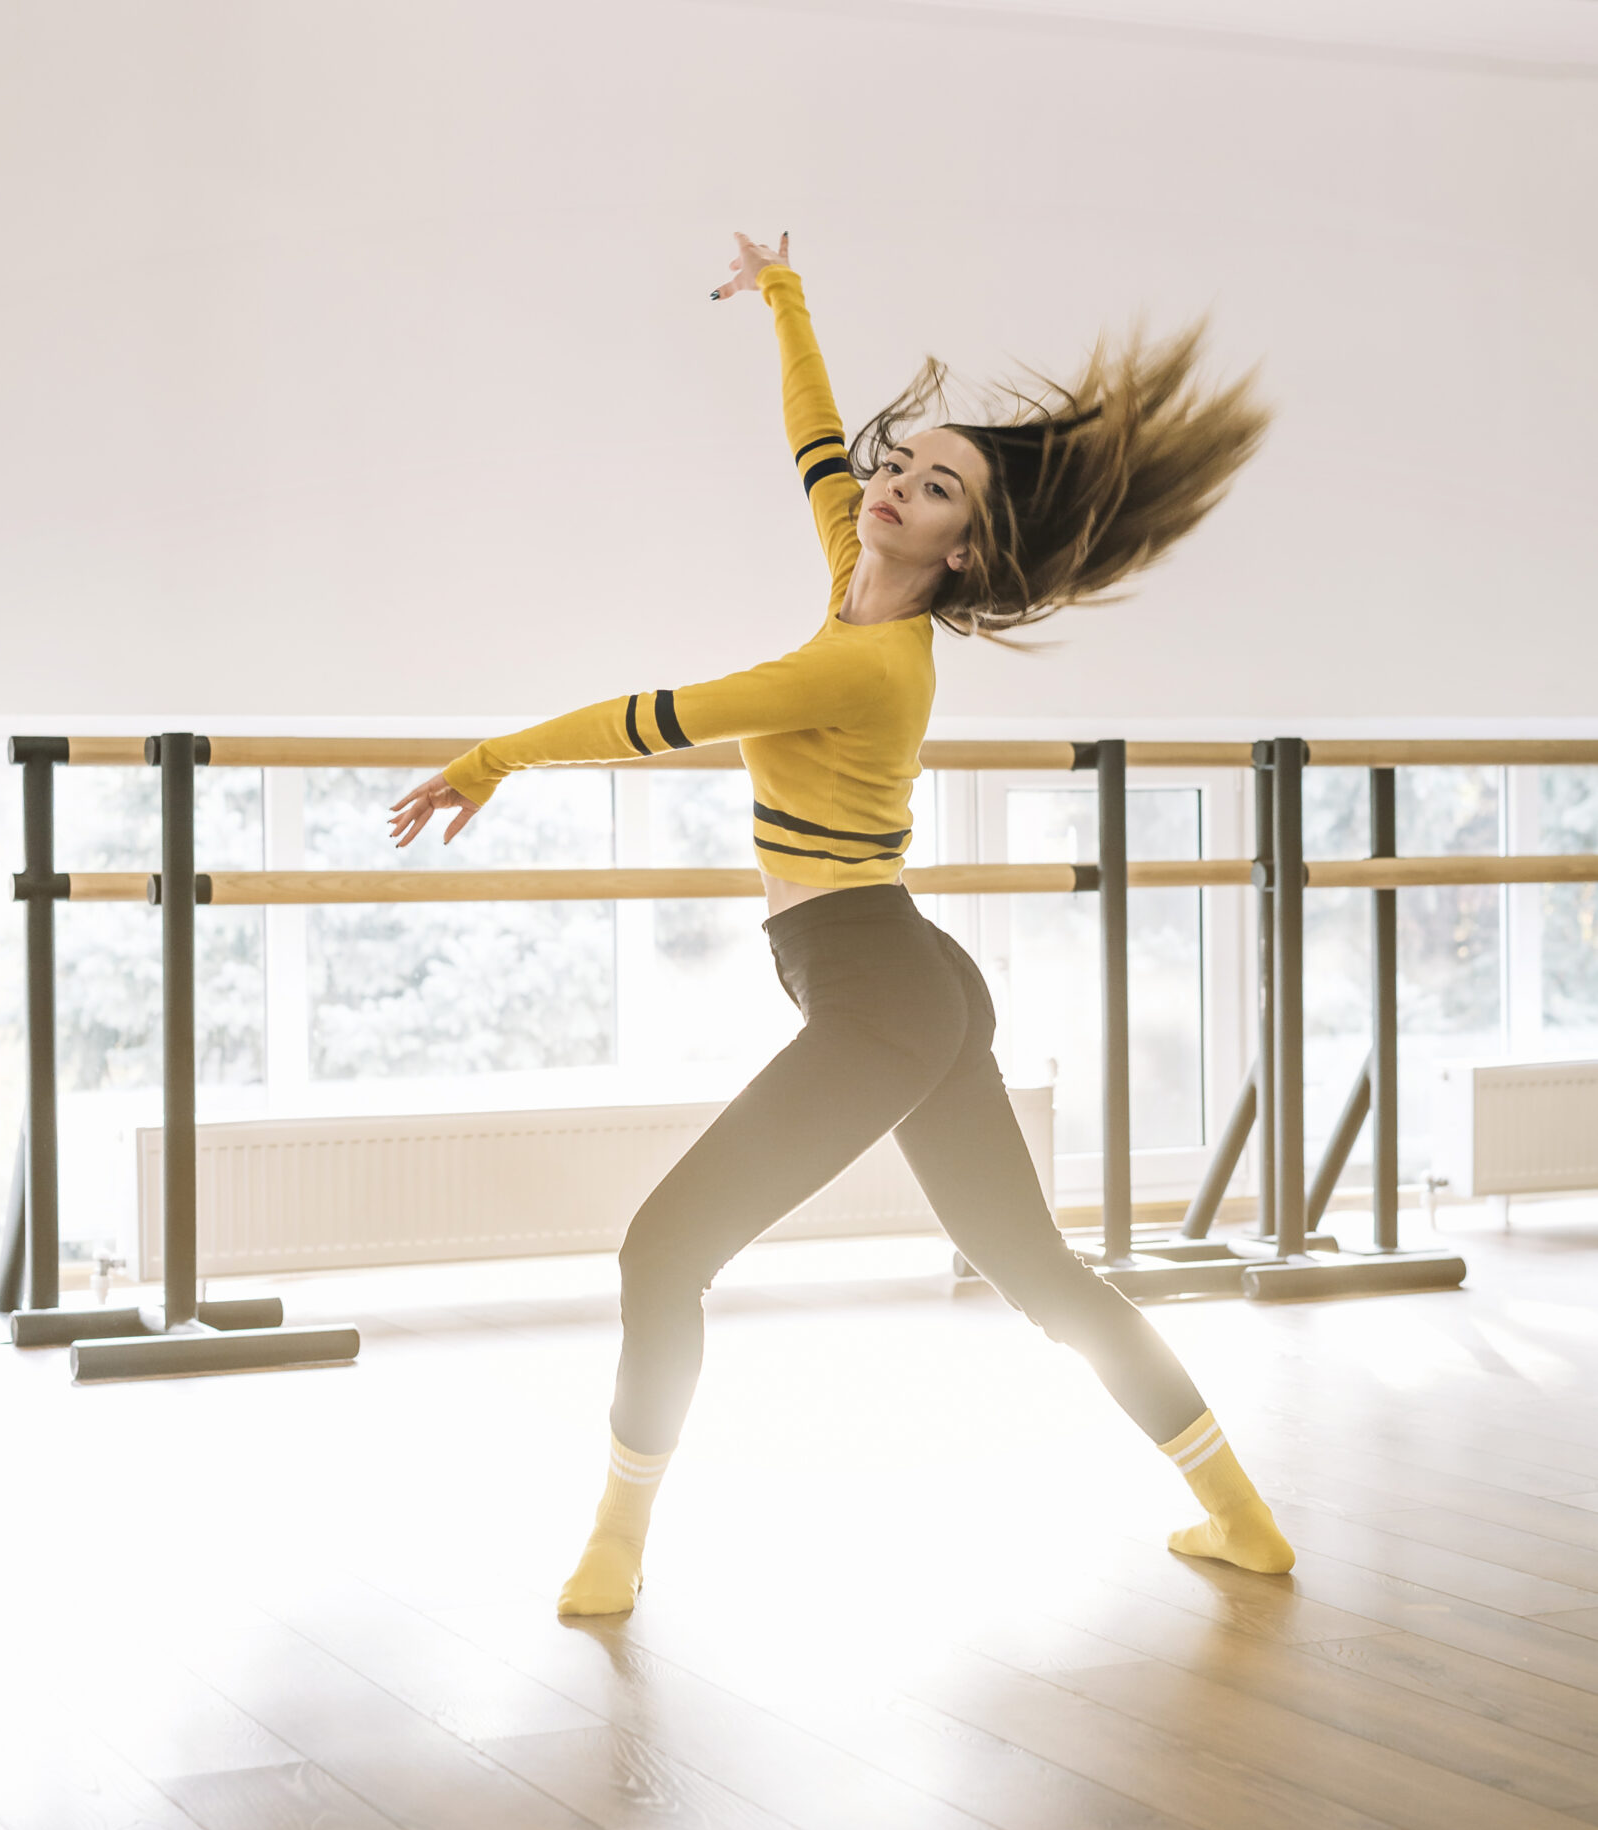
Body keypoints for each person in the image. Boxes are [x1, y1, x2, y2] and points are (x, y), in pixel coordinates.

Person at [389, 232, 1294, 1618]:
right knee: (1037, 1274)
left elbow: (654, 720)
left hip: (883, 993)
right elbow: (816, 438)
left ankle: (616, 1544)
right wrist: (784, 297)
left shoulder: (855, 661)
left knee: (661, 1252)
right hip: (902, 973)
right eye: (898, 464)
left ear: (965, 543)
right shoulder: (851, 566)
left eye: (934, 487)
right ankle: (1240, 1522)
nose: (890, 487)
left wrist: (489, 761)